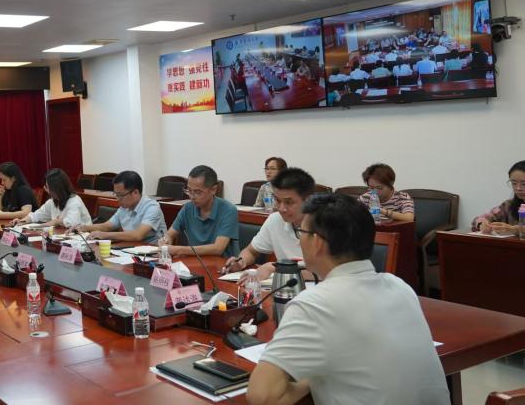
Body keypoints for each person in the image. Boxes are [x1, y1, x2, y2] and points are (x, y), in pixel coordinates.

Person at [247, 194, 448, 405]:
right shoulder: (400, 286)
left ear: (317, 242)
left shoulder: (314, 304)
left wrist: (312, 379)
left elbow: (262, 397)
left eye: (301, 232)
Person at [223, 168, 316, 280]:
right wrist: (241, 262)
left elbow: (326, 272)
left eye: (289, 202)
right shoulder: (275, 220)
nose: (281, 208)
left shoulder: (326, 224)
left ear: (308, 200)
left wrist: (275, 268)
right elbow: (251, 251)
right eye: (278, 201)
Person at [159, 166, 238, 257]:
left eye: (198, 192)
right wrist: (165, 241)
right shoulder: (187, 208)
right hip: (195, 261)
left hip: (221, 263)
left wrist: (178, 250)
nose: (192, 197)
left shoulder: (228, 210)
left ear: (213, 190)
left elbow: (218, 248)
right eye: (189, 190)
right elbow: (170, 234)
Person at [79, 171, 166, 244]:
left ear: (135, 192)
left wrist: (105, 235)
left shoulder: (152, 207)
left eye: (120, 195)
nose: (117, 198)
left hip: (152, 252)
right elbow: (107, 226)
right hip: (130, 248)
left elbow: (138, 235)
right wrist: (83, 228)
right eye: (116, 194)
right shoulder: (124, 207)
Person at [12, 168, 91, 229]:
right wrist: (22, 221)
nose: (45, 189)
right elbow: (37, 215)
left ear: (57, 188)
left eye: (47, 187)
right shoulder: (52, 201)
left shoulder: (74, 201)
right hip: (62, 235)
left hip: (82, 238)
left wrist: (56, 221)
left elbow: (72, 223)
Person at [472, 161, 525, 233]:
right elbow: (480, 218)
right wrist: (482, 224)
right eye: (514, 183)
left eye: (524, 184)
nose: (518, 188)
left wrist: (515, 229)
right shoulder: (508, 205)